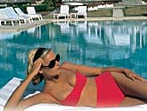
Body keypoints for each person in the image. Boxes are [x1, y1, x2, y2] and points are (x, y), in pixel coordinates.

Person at [4, 47, 147, 111]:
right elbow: (9, 109)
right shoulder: (47, 95)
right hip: (111, 102)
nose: (58, 63)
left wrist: (123, 70)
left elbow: (100, 71)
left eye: (57, 58)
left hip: (114, 81)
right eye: (52, 63)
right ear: (41, 70)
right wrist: (30, 76)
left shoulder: (67, 67)